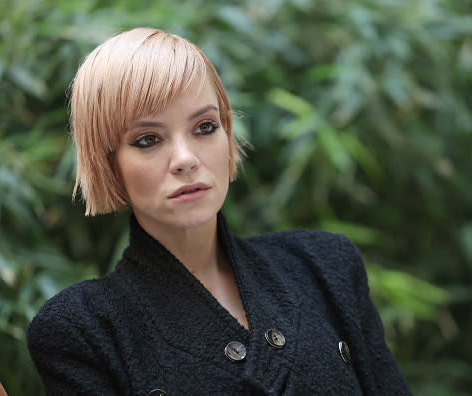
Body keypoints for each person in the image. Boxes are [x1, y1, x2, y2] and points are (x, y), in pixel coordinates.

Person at [27, 27, 412, 395]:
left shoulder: (325, 265)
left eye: (205, 127)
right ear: (108, 162)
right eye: (148, 139)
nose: (185, 159)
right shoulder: (84, 328)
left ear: (228, 134)